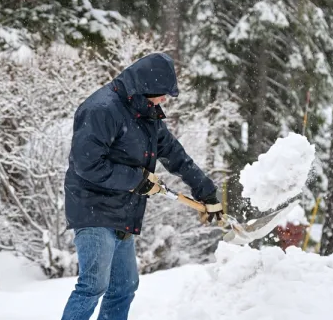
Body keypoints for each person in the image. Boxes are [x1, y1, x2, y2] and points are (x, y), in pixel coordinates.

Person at [60, 52, 223, 320]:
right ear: (144, 87)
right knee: (93, 286)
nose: (163, 100)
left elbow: (175, 154)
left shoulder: (146, 115)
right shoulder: (102, 109)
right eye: (161, 94)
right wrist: (137, 180)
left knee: (124, 287)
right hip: (93, 209)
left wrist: (206, 191)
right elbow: (86, 164)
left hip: (123, 212)